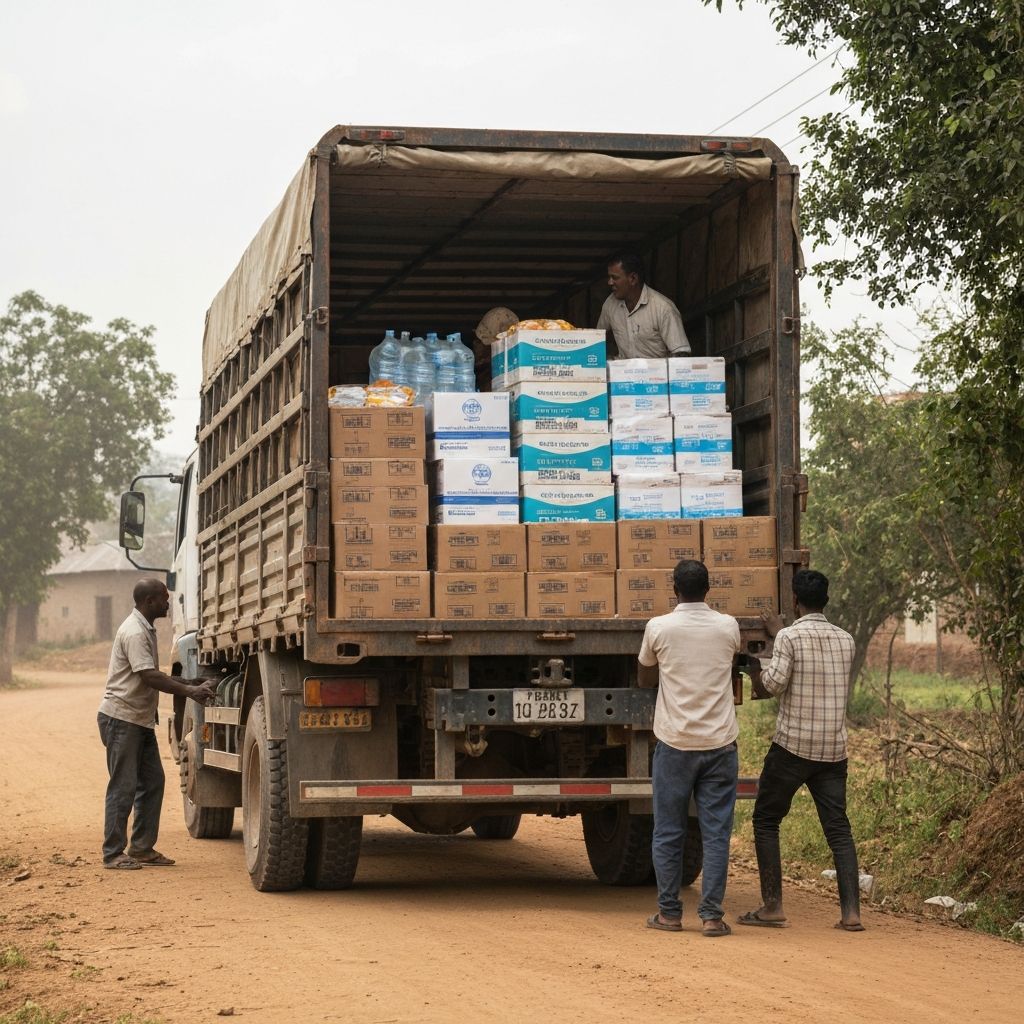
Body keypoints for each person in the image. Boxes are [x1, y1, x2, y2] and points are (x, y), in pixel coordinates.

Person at [739, 569, 865, 932]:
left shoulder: (789, 637)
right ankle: (851, 913)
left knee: (766, 819)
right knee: (838, 829)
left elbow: (774, 684)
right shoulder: (847, 639)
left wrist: (755, 667)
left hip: (793, 748)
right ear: (826, 600)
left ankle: (773, 906)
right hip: (833, 751)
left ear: (794, 601)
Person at [638, 559, 740, 936]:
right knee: (715, 833)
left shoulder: (659, 627)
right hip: (720, 744)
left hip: (675, 743)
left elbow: (645, 673)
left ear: (674, 589)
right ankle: (712, 917)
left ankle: (669, 914)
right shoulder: (728, 626)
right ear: (709, 590)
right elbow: (729, 664)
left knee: (668, 830)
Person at [97, 578, 217, 870]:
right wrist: (191, 692)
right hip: (122, 719)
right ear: (149, 602)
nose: (168, 602)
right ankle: (113, 853)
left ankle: (141, 847)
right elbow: (149, 678)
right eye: (164, 598)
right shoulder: (135, 632)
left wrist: (191, 681)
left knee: (152, 782)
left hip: (138, 720)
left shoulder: (144, 628)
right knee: (123, 787)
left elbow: (154, 675)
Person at [596, 250, 690, 359]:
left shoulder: (663, 308)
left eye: (615, 278)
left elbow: (681, 353)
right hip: (622, 374)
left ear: (633, 279)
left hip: (657, 374)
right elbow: (597, 340)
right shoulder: (610, 304)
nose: (610, 282)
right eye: (609, 277)